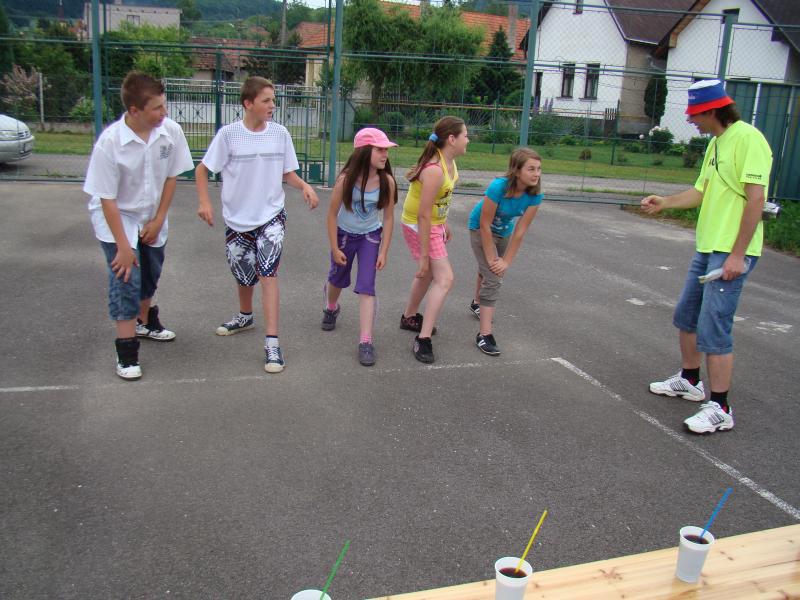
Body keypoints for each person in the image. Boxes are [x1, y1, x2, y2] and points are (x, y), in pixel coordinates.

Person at [641, 79, 772, 434]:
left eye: (694, 115)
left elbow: (756, 200)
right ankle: (690, 380)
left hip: (730, 251)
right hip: (708, 246)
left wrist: (738, 255)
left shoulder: (748, 139)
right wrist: (665, 202)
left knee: (715, 326)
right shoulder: (716, 143)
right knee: (687, 315)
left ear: (712, 111)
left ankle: (721, 407)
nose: (691, 121)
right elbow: (701, 191)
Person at [196, 76, 319, 374]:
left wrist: (304, 185)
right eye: (266, 100)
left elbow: (287, 172)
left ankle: (272, 343)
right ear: (248, 103)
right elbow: (202, 169)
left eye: (273, 100)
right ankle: (245, 316)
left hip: (271, 216)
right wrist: (204, 202)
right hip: (237, 219)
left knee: (267, 274)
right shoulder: (229, 135)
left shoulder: (280, 134)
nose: (272, 105)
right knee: (243, 274)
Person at [84, 71, 193, 380]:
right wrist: (123, 246)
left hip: (152, 214)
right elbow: (107, 199)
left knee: (151, 273)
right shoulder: (110, 143)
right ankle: (127, 351)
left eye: (164, 105)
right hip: (117, 216)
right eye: (157, 108)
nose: (164, 112)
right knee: (126, 278)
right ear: (134, 110)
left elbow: (171, 177)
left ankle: (145, 322)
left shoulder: (170, 132)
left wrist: (158, 219)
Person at [321, 128, 398, 366]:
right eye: (380, 149)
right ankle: (331, 307)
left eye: (386, 150)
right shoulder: (345, 180)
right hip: (344, 235)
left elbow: (388, 218)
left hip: (370, 237)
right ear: (364, 151)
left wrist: (384, 251)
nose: (385, 154)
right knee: (338, 278)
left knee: (367, 286)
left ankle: (365, 341)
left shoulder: (387, 181)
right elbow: (331, 215)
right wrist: (335, 248)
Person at [399, 116, 469, 364]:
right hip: (418, 223)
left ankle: (409, 317)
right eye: (465, 135)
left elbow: (439, 201)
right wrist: (424, 256)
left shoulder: (449, 163)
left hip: (432, 222)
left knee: (430, 275)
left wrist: (444, 222)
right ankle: (423, 339)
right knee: (445, 279)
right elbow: (422, 214)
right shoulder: (434, 169)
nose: (468, 139)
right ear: (452, 139)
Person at [468, 148, 544, 356]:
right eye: (531, 169)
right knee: (493, 277)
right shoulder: (498, 187)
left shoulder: (535, 195)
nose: (536, 174)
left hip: (504, 232)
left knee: (490, 270)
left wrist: (506, 261)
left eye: (539, 169)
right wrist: (492, 258)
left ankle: (477, 302)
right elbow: (484, 223)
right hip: (480, 228)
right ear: (517, 171)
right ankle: (484, 335)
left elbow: (521, 230)